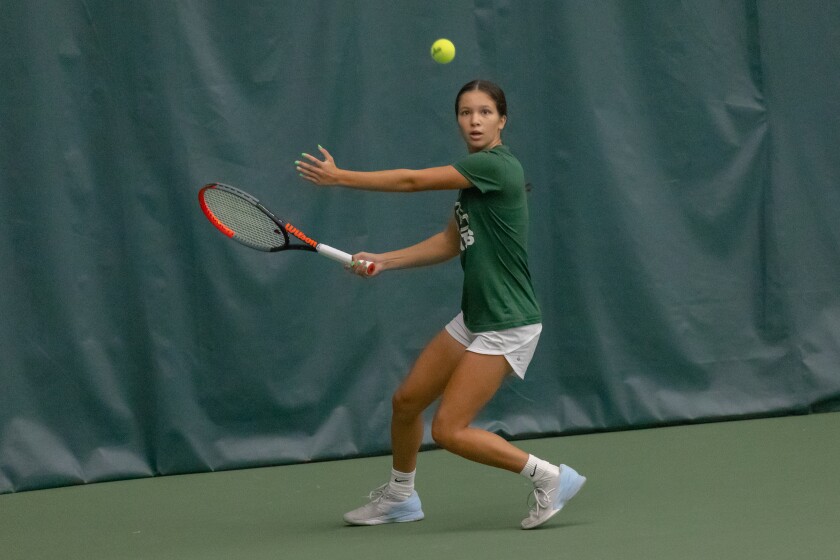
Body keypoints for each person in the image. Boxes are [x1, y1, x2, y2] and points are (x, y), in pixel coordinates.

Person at [295, 79, 585, 529]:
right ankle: (400, 496)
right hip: (476, 316)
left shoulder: (496, 167)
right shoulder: (474, 180)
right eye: (466, 113)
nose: (474, 121)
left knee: (448, 429)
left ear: (502, 120)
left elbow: (412, 180)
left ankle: (549, 477)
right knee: (407, 401)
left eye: (485, 112)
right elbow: (451, 242)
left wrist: (340, 177)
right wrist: (385, 261)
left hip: (508, 322)